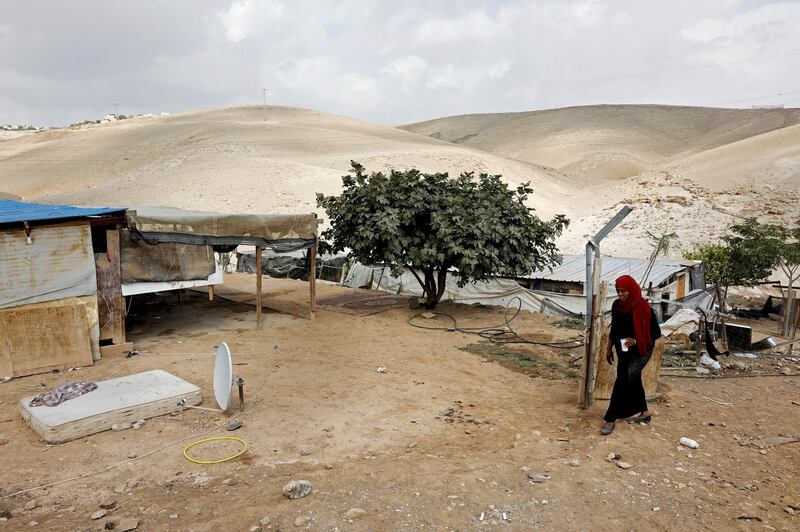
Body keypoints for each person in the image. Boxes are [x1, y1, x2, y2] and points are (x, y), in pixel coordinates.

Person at [600, 275, 662, 435]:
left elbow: (655, 333)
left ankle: (610, 418)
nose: (620, 294)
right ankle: (644, 413)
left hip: (641, 350)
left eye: (623, 291)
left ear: (631, 290)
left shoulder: (643, 307)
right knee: (632, 377)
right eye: (618, 291)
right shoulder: (617, 306)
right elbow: (615, 330)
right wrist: (609, 348)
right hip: (623, 349)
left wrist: (635, 340)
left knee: (623, 378)